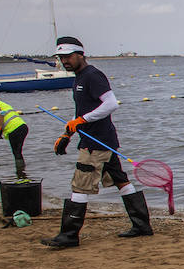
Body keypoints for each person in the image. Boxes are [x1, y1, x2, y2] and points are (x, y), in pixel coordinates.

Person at [40, 36, 153, 249]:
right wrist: (68, 133)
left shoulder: (93, 75)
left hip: (97, 142)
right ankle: (142, 226)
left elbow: (111, 104)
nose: (65, 61)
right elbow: (80, 112)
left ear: (80, 55)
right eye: (61, 58)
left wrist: (83, 120)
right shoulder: (78, 78)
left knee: (80, 186)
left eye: (68, 57)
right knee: (120, 181)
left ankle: (69, 236)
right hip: (96, 139)